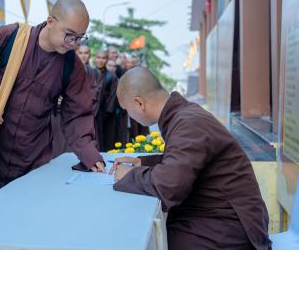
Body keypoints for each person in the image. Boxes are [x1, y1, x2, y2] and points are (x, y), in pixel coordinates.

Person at [111, 67, 271, 250]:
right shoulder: (183, 114)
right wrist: (144, 162)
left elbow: (168, 187)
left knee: (146, 241)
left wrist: (129, 175)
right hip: (213, 213)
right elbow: (185, 161)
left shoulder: (189, 123)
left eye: (127, 110)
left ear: (139, 103)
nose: (129, 117)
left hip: (232, 227)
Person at [0, 0, 105, 190]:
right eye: (70, 35)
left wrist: (90, 155)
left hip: (33, 157)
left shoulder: (72, 65)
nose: (73, 43)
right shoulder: (12, 37)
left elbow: (78, 114)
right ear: (50, 21)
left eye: (80, 37)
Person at [51, 43, 99, 157]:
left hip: (79, 110)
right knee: (59, 143)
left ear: (89, 55)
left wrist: (80, 101)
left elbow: (94, 92)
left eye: (86, 53)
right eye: (80, 53)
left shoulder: (91, 71)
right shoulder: (62, 66)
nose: (83, 56)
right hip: (60, 111)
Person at [93, 49, 118, 151]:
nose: (100, 60)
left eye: (103, 58)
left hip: (104, 112)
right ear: (95, 58)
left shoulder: (111, 76)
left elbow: (112, 96)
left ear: (107, 60)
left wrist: (107, 112)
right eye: (98, 58)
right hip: (90, 109)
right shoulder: (89, 72)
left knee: (103, 138)